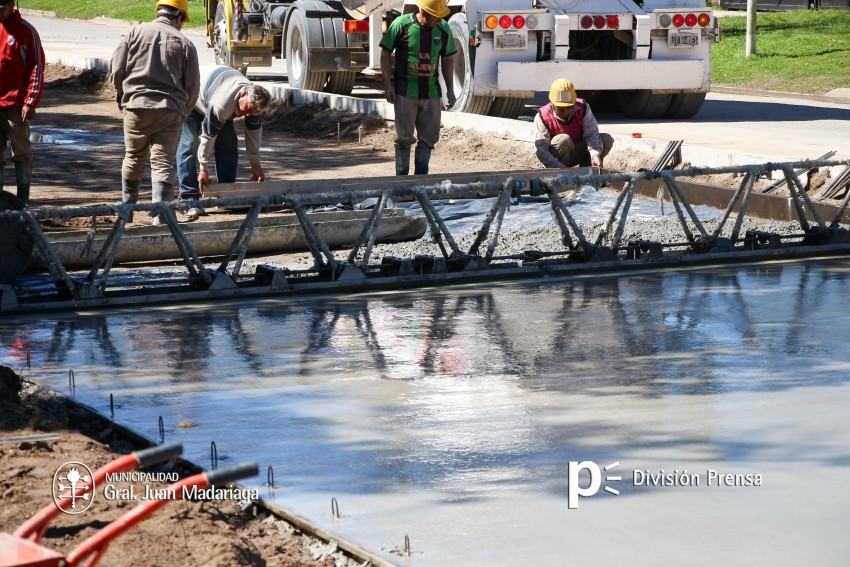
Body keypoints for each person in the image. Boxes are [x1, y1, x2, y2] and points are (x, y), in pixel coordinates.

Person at [110, 0, 199, 225]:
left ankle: (126, 211)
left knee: (133, 156)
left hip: (136, 107)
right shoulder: (186, 44)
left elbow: (117, 68)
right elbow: (193, 86)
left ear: (159, 11)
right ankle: (159, 216)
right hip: (170, 111)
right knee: (163, 162)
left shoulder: (133, 33)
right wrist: (183, 111)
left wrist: (121, 95)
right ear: (178, 17)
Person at [177, 66, 271, 221]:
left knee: (228, 144)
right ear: (243, 94)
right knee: (189, 145)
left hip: (218, 95)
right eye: (247, 109)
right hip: (192, 99)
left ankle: (227, 194)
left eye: (253, 112)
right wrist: (203, 168)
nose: (248, 115)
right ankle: (188, 199)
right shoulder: (222, 104)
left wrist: (256, 165)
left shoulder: (255, 105)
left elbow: (253, 134)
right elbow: (208, 136)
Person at [379, 0, 456, 176]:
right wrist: (388, 84)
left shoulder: (443, 28)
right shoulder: (401, 24)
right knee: (404, 139)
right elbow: (385, 53)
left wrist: (450, 89)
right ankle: (402, 180)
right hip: (405, 93)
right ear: (423, 11)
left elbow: (448, 59)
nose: (438, 19)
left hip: (431, 94)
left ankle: (421, 180)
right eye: (435, 16)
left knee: (428, 139)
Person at [0, 0, 44, 206]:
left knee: (21, 152)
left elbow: (37, 67)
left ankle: (22, 200)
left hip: (17, 105)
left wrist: (31, 100)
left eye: (1, 8)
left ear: (11, 5)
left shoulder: (27, 32)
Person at [534, 78, 614, 170]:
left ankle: (587, 170)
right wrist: (560, 168)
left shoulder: (583, 107)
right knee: (563, 140)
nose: (566, 112)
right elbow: (541, 150)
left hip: (577, 151)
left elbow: (592, 134)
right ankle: (561, 174)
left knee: (606, 139)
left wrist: (595, 156)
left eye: (569, 107)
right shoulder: (542, 117)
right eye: (561, 109)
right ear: (552, 104)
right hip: (556, 160)